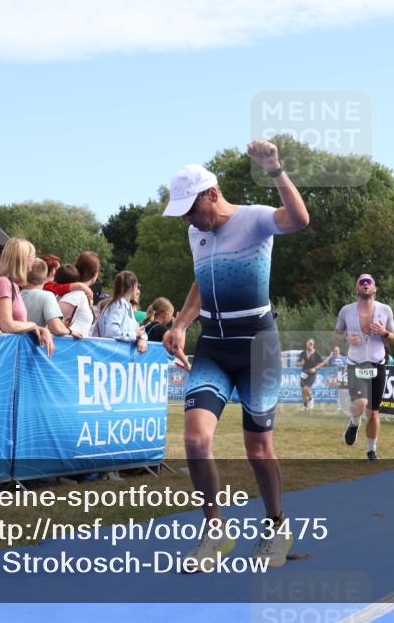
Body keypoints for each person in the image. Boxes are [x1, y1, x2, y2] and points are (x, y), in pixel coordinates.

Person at [161, 142, 308, 570]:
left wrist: (275, 169)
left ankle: (277, 527)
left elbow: (299, 219)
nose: (188, 218)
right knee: (194, 439)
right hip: (214, 347)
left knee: (258, 449)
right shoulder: (196, 232)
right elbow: (201, 279)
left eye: (191, 208)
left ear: (212, 194)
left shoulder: (254, 218)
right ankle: (215, 530)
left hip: (257, 344)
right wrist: (182, 324)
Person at [336, 273, 394, 461]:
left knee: (374, 412)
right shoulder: (346, 310)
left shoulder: (385, 310)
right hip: (355, 363)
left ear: (375, 288)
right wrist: (346, 338)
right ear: (356, 289)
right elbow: (337, 334)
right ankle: (354, 423)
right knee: (360, 404)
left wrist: (385, 333)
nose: (365, 285)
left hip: (377, 364)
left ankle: (371, 450)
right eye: (361, 283)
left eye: (368, 283)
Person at [0, 237, 55, 355]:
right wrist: (33, 325)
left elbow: (15, 324)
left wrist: (41, 329)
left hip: (5, 352)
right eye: (33, 256)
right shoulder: (3, 283)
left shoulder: (12, 285)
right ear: (24, 259)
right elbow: (7, 325)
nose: (34, 260)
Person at [92, 270, 146, 352]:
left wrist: (142, 338)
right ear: (134, 286)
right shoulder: (118, 305)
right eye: (138, 286)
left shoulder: (126, 306)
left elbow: (139, 330)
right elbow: (111, 332)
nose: (138, 290)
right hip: (109, 355)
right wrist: (134, 334)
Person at [21, 259, 77, 337]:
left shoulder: (16, 295)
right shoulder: (47, 296)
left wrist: (60, 324)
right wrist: (71, 332)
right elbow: (56, 329)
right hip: (34, 345)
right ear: (45, 279)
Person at [58, 252, 100, 338]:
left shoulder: (79, 293)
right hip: (68, 346)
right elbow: (55, 321)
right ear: (95, 273)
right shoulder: (77, 294)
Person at [296, 338, 327, 411]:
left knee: (306, 388)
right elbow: (297, 363)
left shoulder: (317, 354)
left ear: (313, 345)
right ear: (306, 344)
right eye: (308, 343)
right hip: (304, 373)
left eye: (311, 344)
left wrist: (315, 368)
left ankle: (311, 399)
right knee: (303, 390)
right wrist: (301, 363)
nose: (309, 345)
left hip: (312, 373)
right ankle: (304, 406)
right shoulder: (303, 353)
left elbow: (321, 363)